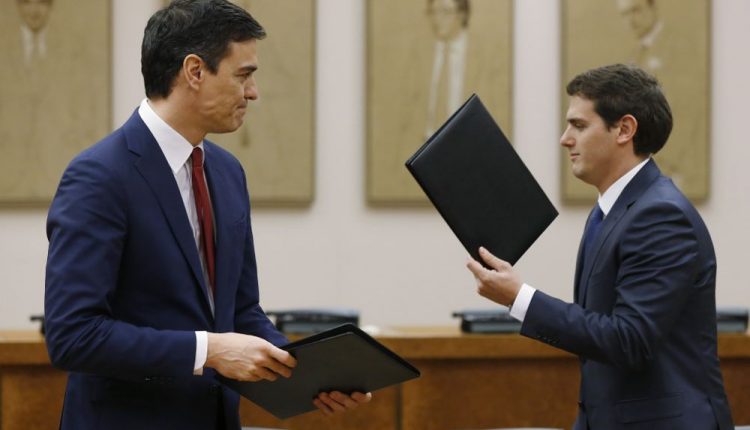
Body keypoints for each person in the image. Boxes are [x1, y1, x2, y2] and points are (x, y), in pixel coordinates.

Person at [44, 1, 370, 429]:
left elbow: (241, 311)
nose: (253, 92)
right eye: (244, 75)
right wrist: (209, 351)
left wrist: (306, 374)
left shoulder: (227, 172)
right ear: (195, 71)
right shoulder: (98, 176)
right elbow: (73, 336)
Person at [466, 64, 734, 429]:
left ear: (624, 129)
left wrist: (521, 298)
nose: (564, 139)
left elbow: (629, 339)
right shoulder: (611, 211)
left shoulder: (660, 215)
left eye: (579, 125)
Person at [424, 0, 470, 138]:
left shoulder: (481, 57)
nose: (438, 19)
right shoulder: (421, 55)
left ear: (462, 14)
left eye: (445, 11)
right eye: (434, 12)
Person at [616, 0, 664, 73]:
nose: (630, 21)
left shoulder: (677, 44)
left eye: (635, 10)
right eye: (625, 14)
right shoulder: (633, 54)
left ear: (652, 7)